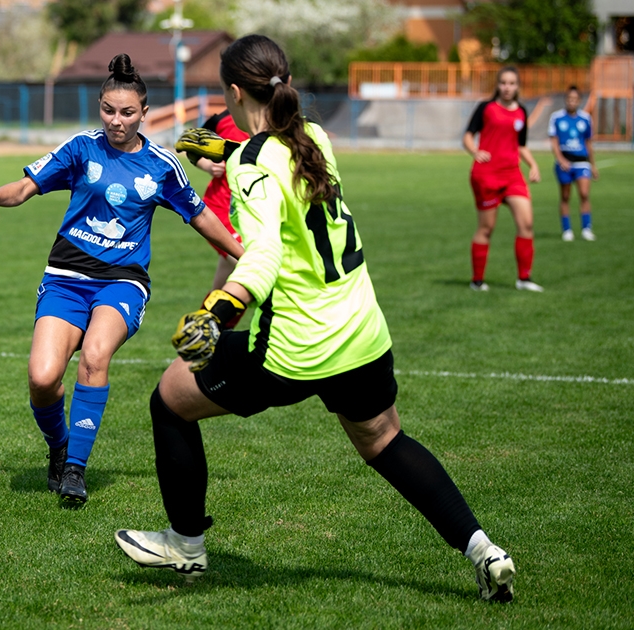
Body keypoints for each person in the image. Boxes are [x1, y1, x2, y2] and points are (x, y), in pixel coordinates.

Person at [113, 34, 517, 603]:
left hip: (297, 347)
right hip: (362, 333)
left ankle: (185, 544)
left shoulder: (255, 168)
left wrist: (214, 312)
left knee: (171, 398)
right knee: (383, 441)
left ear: (233, 91)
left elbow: (261, 258)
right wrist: (225, 153)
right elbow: (269, 164)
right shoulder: (314, 138)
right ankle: (484, 550)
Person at [0, 54, 243, 505]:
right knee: (42, 378)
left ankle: (75, 470)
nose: (117, 121)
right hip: (66, 278)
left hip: (123, 281)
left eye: (128, 112)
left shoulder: (161, 165)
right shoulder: (80, 148)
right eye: (109, 110)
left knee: (95, 356)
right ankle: (59, 450)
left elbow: (201, 216)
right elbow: (25, 188)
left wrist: (247, 257)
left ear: (145, 113)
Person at [463, 67, 542, 292]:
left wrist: (533, 164)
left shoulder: (522, 112)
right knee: (486, 228)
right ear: (498, 85)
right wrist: (474, 150)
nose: (507, 88)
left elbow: (521, 145)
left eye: (512, 83)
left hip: (512, 175)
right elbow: (467, 135)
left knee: (526, 223)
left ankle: (524, 279)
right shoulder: (486, 108)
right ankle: (477, 280)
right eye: (503, 83)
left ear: (518, 86)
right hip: (486, 175)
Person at [181, 110, 250, 292]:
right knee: (253, 270)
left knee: (225, 290)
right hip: (222, 210)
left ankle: (209, 318)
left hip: (252, 214)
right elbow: (189, 142)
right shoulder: (222, 120)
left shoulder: (276, 119)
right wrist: (209, 164)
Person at [548, 86, 598, 242]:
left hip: (582, 162)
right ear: (565, 99)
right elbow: (554, 141)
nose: (572, 102)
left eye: (575, 99)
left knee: (584, 194)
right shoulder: (556, 117)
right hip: (565, 163)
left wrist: (593, 165)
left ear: (579, 101)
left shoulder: (586, 118)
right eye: (569, 99)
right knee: (565, 196)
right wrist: (561, 159)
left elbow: (589, 143)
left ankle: (586, 228)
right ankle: (567, 230)